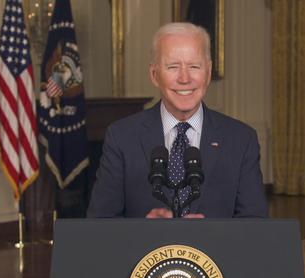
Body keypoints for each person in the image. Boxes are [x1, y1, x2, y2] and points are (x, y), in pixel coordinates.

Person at [87, 22, 267, 218]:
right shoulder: (121, 137)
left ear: (207, 73)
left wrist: (212, 235)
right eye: (173, 67)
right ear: (154, 75)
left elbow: (255, 223)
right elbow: (100, 222)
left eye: (194, 66)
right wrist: (142, 231)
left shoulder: (241, 139)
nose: (184, 78)